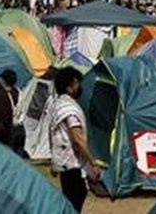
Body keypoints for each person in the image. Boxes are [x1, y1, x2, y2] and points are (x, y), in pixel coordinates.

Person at [50, 67, 100, 212]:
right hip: (72, 164)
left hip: (64, 163)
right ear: (70, 87)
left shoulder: (58, 104)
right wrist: (93, 163)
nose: (80, 87)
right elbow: (77, 139)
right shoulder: (69, 109)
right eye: (77, 83)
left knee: (71, 200)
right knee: (76, 198)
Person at [0, 68, 26, 157]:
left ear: (4, 80)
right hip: (21, 128)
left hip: (10, 129)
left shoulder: (4, 95)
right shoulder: (20, 92)